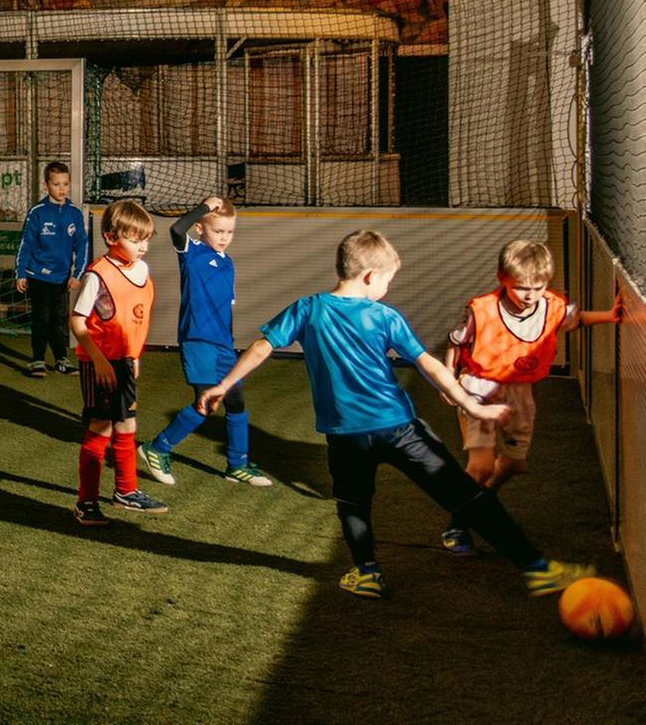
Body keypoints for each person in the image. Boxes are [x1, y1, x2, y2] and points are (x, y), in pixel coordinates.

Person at [198, 229, 593, 600]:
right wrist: (469, 402)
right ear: (370, 276)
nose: (387, 288)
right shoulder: (384, 316)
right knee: (465, 495)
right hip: (400, 429)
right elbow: (429, 364)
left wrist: (224, 384)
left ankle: (367, 572)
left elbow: (262, 347)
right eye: (388, 280)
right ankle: (536, 567)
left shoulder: (308, 309)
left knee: (353, 503)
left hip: (345, 435)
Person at [438, 238, 624, 555]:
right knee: (481, 466)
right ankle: (458, 523)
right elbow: (456, 342)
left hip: (519, 392)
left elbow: (575, 318)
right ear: (503, 278)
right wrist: (448, 382)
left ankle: (480, 502)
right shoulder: (481, 310)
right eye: (522, 288)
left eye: (538, 288)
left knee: (514, 464)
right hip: (479, 389)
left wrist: (609, 315)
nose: (530, 295)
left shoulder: (552, 306)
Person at [138, 197, 272, 488]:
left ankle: (237, 465)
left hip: (223, 344)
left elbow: (226, 309)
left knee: (236, 400)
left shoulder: (228, 263)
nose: (224, 237)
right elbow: (176, 229)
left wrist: (229, 344)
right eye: (218, 231)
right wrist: (205, 208)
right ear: (200, 229)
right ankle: (157, 448)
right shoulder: (192, 252)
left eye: (229, 232)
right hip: (197, 340)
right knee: (206, 402)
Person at [70, 199, 171, 523]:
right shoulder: (97, 275)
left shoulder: (142, 270)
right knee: (100, 428)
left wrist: (134, 357)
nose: (143, 247)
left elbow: (134, 320)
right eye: (135, 239)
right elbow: (77, 321)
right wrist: (98, 360)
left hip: (124, 362)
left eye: (146, 239)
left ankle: (126, 491)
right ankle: (86, 502)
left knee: (127, 424)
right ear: (112, 237)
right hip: (99, 364)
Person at [14, 161, 90, 378]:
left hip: (62, 278)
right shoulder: (37, 212)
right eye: (56, 184)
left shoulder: (74, 213)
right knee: (41, 318)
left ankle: (61, 360)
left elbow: (82, 245)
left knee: (59, 319)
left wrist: (77, 274)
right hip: (37, 275)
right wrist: (20, 273)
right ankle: (38, 360)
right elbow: (26, 244)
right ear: (46, 185)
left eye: (65, 184)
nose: (61, 189)